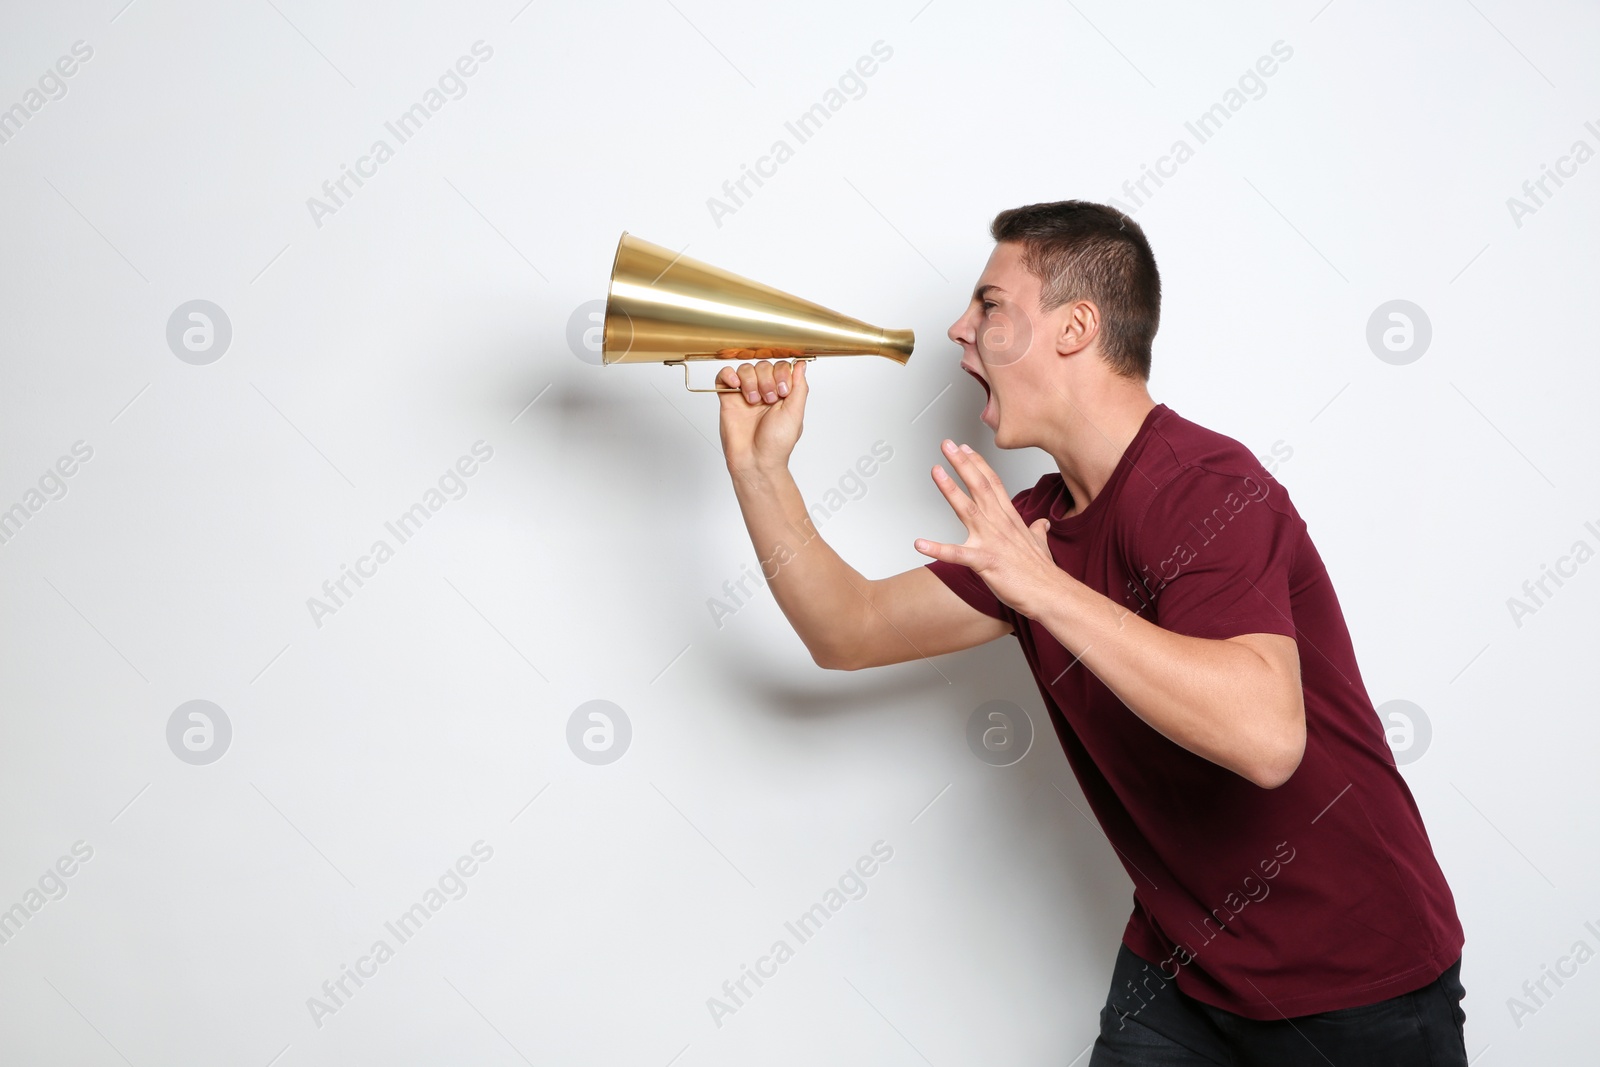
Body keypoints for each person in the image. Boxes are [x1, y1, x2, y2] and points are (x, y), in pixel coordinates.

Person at [712, 200, 1466, 1065]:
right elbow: (848, 628)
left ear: (1075, 328)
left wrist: (1044, 589)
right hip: (1179, 967)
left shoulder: (1206, 485)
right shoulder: (1032, 528)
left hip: (1352, 979)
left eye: (990, 304)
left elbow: (1264, 737)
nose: (959, 329)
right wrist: (758, 468)